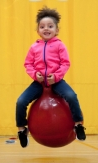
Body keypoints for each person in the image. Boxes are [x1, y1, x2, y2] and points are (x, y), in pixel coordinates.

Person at [16, 6, 86, 148]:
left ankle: (78, 125)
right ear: (38, 30)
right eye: (42, 26)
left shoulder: (60, 46)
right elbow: (28, 64)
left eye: (50, 26)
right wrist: (35, 75)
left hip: (56, 81)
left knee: (72, 96)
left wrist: (57, 76)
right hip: (39, 83)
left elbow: (65, 63)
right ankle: (22, 130)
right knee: (20, 101)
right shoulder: (34, 47)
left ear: (57, 30)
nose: (46, 29)